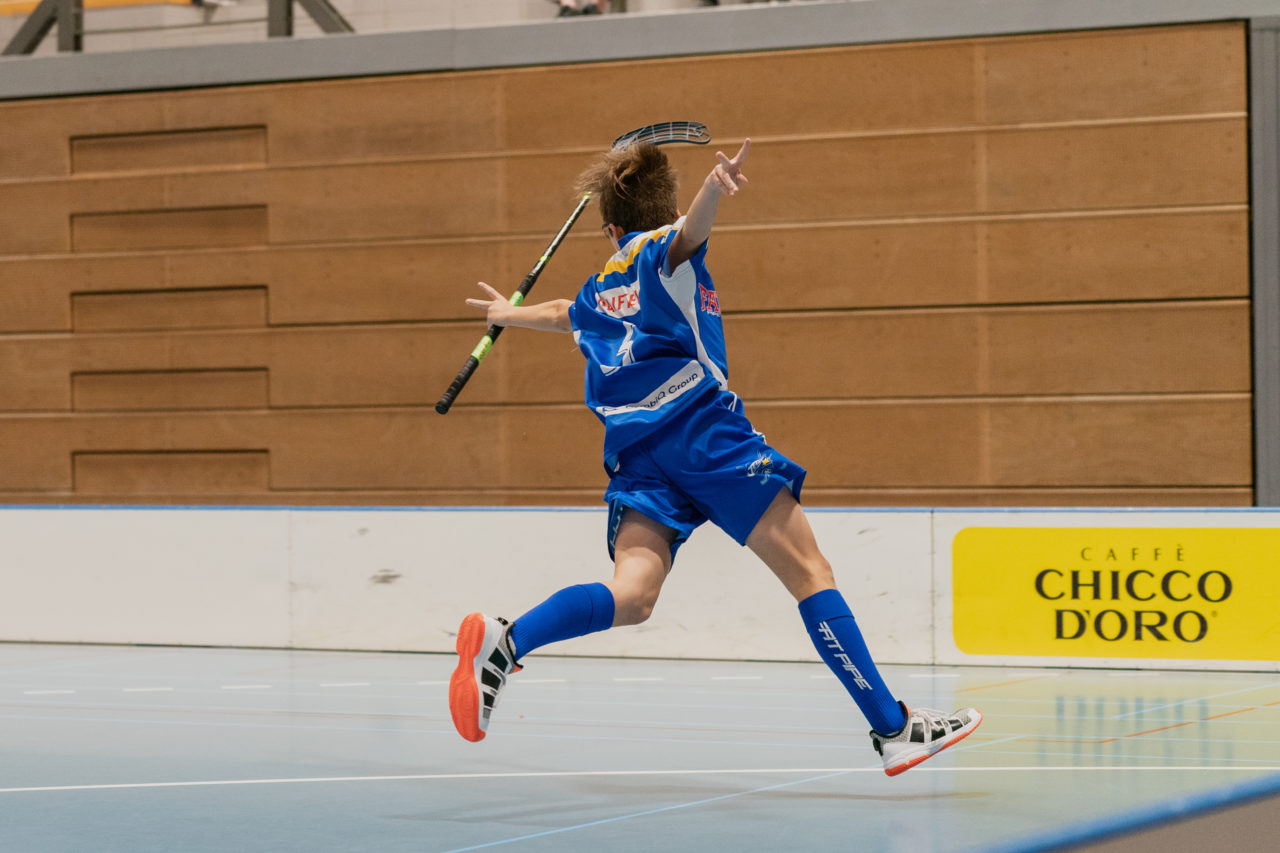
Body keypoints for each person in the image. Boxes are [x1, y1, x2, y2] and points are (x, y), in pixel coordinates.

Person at [448, 137, 982, 776]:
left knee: (634, 594)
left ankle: (508, 643)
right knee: (811, 573)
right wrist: (712, 188)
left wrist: (510, 314)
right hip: (702, 434)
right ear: (658, 215)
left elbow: (566, 313)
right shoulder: (660, 252)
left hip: (636, 457)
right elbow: (685, 237)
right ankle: (894, 730)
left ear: (610, 228)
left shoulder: (599, 287)